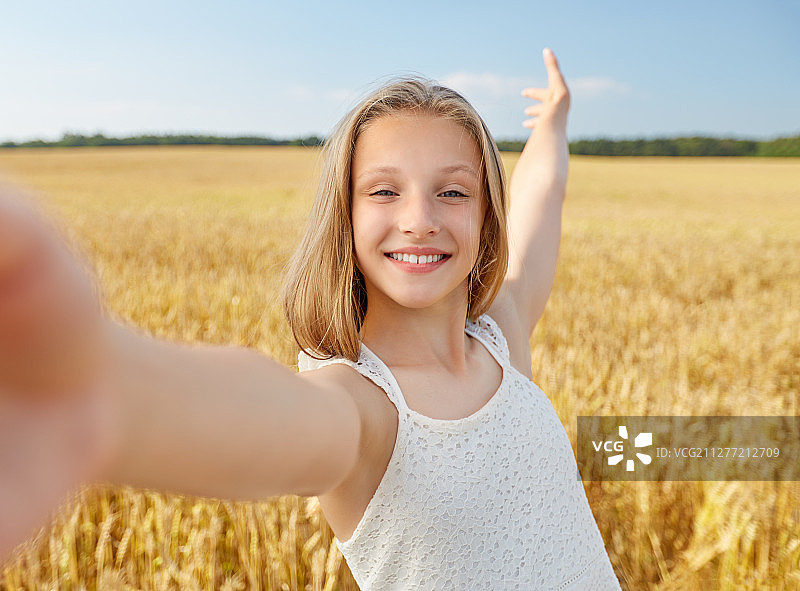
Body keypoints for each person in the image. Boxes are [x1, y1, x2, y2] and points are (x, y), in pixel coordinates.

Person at [0, 49, 621, 589]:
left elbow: (543, 197)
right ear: (343, 216)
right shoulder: (362, 404)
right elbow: (269, 422)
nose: (420, 219)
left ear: (487, 214)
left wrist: (554, 122)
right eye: (384, 191)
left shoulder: (500, 337)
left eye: (453, 191)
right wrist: (90, 391)